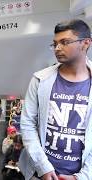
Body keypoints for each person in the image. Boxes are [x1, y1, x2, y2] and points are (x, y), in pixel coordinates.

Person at [20, 19, 92, 180]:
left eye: (65, 42)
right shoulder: (40, 79)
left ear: (86, 43)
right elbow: (27, 123)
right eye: (55, 44)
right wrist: (43, 167)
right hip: (39, 173)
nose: (58, 48)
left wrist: (82, 177)